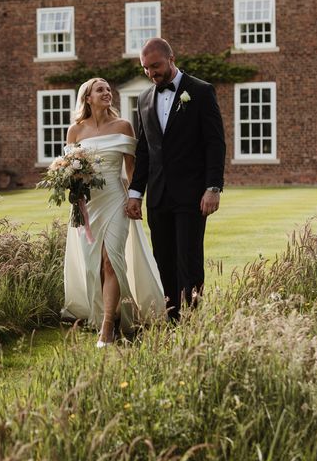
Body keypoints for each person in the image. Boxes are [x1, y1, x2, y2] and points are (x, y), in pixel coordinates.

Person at [125, 38, 226, 320]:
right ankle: (171, 319)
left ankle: (191, 320)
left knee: (189, 261)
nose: (151, 73)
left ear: (171, 58)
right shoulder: (144, 99)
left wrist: (213, 187)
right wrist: (135, 193)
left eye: (155, 66)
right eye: (145, 68)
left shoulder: (201, 91)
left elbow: (215, 143)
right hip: (158, 196)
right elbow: (144, 150)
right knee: (163, 261)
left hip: (192, 194)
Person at [61, 77, 166, 347]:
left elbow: (132, 170)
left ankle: (107, 326)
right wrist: (72, 189)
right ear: (87, 97)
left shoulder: (123, 126)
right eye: (101, 90)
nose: (107, 93)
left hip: (116, 200)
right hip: (87, 205)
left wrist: (135, 198)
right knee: (93, 264)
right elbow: (69, 171)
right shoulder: (75, 131)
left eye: (109, 89)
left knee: (111, 260)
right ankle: (106, 313)